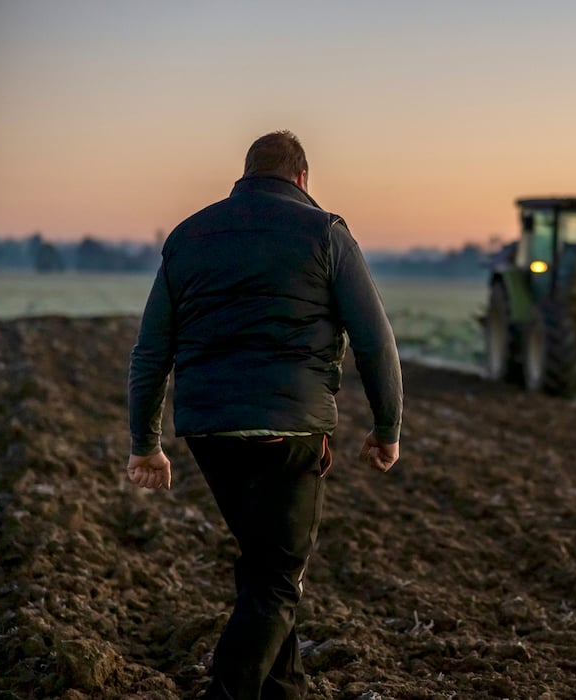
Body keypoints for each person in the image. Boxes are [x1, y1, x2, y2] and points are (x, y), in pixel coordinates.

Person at [126, 130, 403, 699]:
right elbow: (375, 342)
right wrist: (386, 429)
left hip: (210, 431)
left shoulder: (187, 236)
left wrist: (144, 441)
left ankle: (287, 691)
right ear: (301, 178)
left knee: (265, 565)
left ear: (246, 174)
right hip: (291, 433)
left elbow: (152, 349)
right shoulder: (326, 232)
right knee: (277, 579)